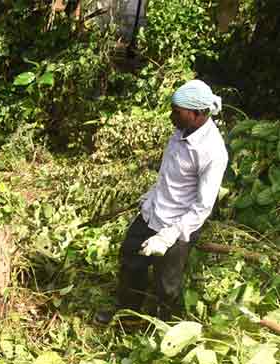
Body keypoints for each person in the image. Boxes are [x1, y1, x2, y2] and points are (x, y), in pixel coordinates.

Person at [96, 80, 228, 324]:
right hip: (153, 212)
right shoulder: (181, 132)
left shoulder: (212, 151)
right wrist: (150, 195)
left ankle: (163, 327)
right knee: (130, 260)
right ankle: (127, 313)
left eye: (176, 112)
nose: (171, 116)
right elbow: (170, 174)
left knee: (166, 284)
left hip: (177, 226)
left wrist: (169, 236)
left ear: (197, 114)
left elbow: (203, 206)